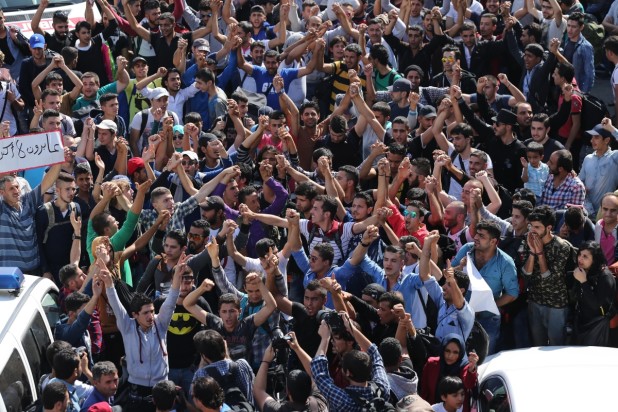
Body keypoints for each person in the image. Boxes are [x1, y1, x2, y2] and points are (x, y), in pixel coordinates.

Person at [99, 252, 182, 411]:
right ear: (134, 315)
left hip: (162, 388)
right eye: (146, 313)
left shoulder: (160, 323)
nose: (151, 316)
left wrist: (177, 277)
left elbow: (171, 301)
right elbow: (116, 305)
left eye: (152, 311)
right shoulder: (127, 326)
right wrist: (109, 283)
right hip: (137, 390)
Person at [310, 314, 391, 411]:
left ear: (348, 372)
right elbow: (374, 354)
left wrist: (324, 338)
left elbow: (319, 374)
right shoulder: (383, 389)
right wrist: (351, 328)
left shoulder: (344, 401)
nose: (332, 340)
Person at [0, 154, 64, 275]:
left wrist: (58, 158)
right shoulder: (1, 207)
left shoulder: (27, 201)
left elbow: (48, 182)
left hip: (35, 270)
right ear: (2, 193)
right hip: (11, 274)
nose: (16, 191)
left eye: (17, 187)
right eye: (11, 189)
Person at [522, 205, 576, 346]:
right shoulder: (529, 240)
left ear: (549, 228)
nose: (532, 230)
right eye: (531, 226)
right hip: (535, 300)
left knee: (556, 344)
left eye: (537, 227)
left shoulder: (562, 247)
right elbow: (526, 275)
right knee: (537, 344)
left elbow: (551, 279)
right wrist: (533, 253)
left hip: (556, 305)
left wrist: (540, 254)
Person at [572, 241, 616, 346]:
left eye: (585, 256)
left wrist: (583, 282)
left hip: (599, 326)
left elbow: (596, 306)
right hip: (583, 323)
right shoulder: (583, 271)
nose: (580, 259)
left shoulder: (605, 277)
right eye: (579, 254)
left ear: (595, 259)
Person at [419, 334, 478, 412]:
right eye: (447, 351)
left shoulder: (465, 367)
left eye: (455, 352)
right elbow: (424, 390)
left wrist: (471, 369)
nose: (450, 356)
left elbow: (469, 384)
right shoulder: (432, 364)